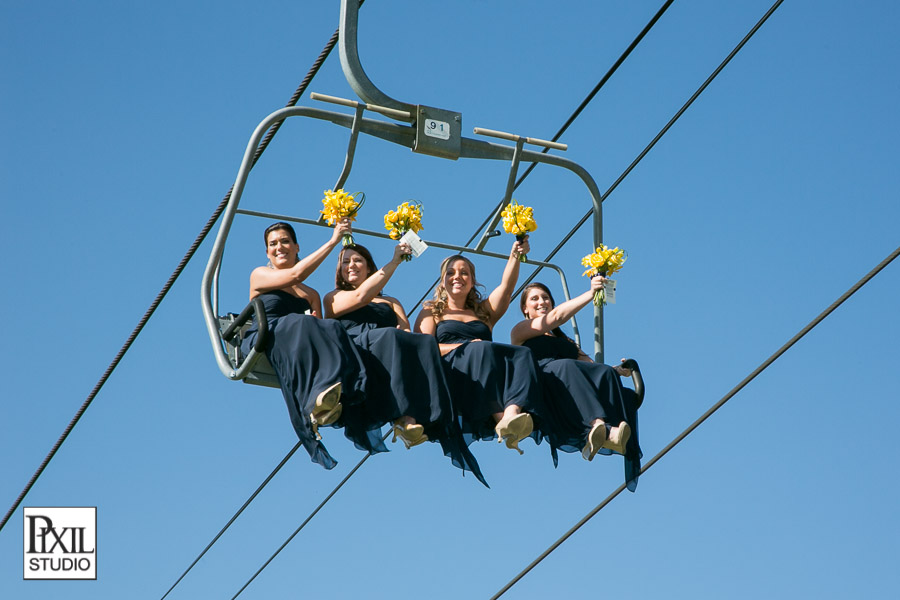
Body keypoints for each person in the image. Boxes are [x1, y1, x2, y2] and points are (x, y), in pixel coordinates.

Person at [323, 243, 487, 485]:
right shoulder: (333, 297)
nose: (351, 265)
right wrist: (395, 261)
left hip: (387, 347)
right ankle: (403, 416)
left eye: (357, 260)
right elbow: (361, 297)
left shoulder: (390, 302)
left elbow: (406, 330)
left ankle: (415, 417)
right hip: (357, 348)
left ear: (369, 267)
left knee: (420, 344)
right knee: (390, 336)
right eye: (345, 262)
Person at [240, 220, 366, 470]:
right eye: (273, 244)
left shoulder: (310, 295)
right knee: (300, 322)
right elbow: (296, 274)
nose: (279, 247)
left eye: (285, 241)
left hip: (299, 336)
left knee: (332, 327)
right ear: (267, 252)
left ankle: (332, 394)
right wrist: (333, 241)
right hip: (271, 333)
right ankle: (315, 398)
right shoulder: (260, 275)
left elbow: (320, 325)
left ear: (296, 247)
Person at [510, 277, 642, 491]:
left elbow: (589, 364)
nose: (542, 302)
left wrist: (617, 371)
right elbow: (555, 318)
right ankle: (597, 425)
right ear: (525, 309)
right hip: (546, 378)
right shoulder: (520, 332)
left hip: (568, 377)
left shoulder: (566, 342)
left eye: (546, 298)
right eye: (534, 299)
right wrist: (591, 293)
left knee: (603, 371)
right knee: (566, 367)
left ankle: (609, 432)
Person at [414, 238, 543, 454]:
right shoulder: (432, 311)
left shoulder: (483, 313)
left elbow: (507, 287)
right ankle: (499, 417)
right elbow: (424, 349)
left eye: (464, 273)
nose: (458, 277)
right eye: (451, 273)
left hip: (482, 366)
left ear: (472, 280)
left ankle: (511, 414)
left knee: (522, 354)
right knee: (480, 348)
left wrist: (515, 255)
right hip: (451, 369)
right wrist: (462, 347)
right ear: (443, 281)